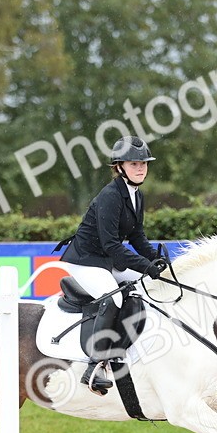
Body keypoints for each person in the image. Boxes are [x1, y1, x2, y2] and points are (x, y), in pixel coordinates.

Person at [58, 135, 168, 394]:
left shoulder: (136, 195)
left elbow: (137, 236)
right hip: (85, 261)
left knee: (142, 289)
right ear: (119, 167)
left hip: (106, 260)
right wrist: (145, 265)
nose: (140, 168)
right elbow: (112, 246)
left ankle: (120, 353)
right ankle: (94, 366)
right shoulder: (110, 196)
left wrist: (155, 259)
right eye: (133, 164)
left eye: (144, 164)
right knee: (114, 299)